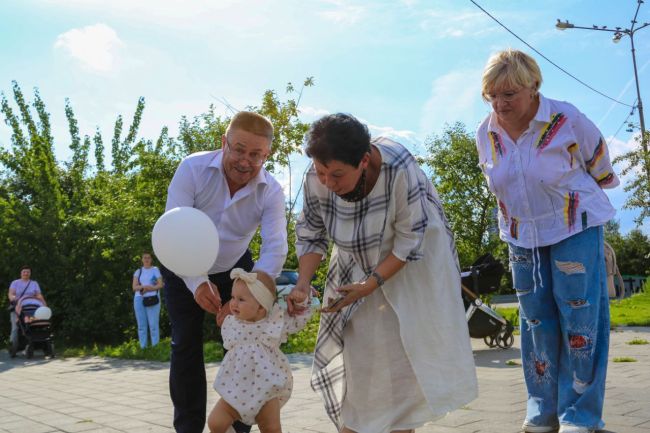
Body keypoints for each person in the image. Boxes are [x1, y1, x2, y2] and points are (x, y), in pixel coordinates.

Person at [287, 113, 478, 433]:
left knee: (405, 360)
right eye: (321, 172)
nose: (328, 184)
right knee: (362, 364)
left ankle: (401, 425)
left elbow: (408, 241)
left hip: (413, 267)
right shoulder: (316, 176)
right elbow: (312, 233)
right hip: (355, 261)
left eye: (337, 175)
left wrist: (371, 283)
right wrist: (303, 284)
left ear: (363, 161)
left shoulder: (399, 169)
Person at [476, 49, 620, 433]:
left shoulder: (567, 119)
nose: (500, 103)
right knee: (536, 321)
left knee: (580, 320)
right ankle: (542, 410)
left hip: (574, 228)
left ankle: (580, 415)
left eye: (509, 94)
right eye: (492, 94)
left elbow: (601, 167)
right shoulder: (485, 133)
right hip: (522, 236)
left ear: (533, 87)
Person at [162, 111, 288, 433]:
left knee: (247, 345)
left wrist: (252, 291)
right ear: (224, 143)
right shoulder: (192, 168)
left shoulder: (271, 191)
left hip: (237, 272)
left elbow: (275, 247)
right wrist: (197, 283)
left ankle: (238, 426)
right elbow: (175, 231)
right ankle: (187, 428)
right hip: (182, 264)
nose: (245, 161)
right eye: (239, 149)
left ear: (266, 154)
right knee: (185, 344)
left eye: (256, 154)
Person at [208, 269, 311, 433]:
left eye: (241, 299)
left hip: (266, 390)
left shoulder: (273, 323)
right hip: (235, 390)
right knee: (216, 422)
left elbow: (298, 321)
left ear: (261, 308)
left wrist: (301, 302)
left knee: (271, 428)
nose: (233, 303)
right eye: (233, 297)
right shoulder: (232, 323)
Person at [132, 252, 164, 348]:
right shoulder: (138, 271)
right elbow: (134, 287)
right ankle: (143, 348)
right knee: (141, 325)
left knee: (153, 324)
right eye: (144, 258)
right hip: (139, 299)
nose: (146, 259)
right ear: (142, 259)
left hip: (153, 299)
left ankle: (155, 347)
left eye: (148, 258)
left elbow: (160, 284)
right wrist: (144, 287)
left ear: (151, 259)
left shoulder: (155, 270)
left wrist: (150, 288)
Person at [8, 266, 47, 335]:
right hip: (18, 305)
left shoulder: (34, 283)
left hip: (32, 305)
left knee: (35, 324)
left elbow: (38, 295)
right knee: (15, 328)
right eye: (24, 272)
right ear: (21, 273)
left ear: (30, 273)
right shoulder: (15, 283)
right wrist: (13, 299)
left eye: (28, 272)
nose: (26, 273)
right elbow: (11, 294)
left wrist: (44, 305)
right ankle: (14, 344)